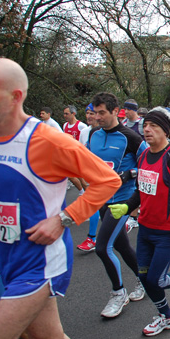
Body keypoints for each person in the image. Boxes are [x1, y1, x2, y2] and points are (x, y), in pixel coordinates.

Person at [0, 57, 121, 339]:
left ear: (16, 97)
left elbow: (108, 180)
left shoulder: (47, 140)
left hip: (38, 262)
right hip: (5, 257)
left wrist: (64, 218)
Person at [107, 107, 170, 336]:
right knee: (143, 276)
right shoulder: (143, 155)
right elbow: (142, 189)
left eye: (154, 127)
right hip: (146, 229)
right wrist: (127, 207)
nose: (147, 130)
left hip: (167, 231)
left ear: (167, 131)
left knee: (156, 279)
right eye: (146, 126)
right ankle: (167, 317)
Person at [88, 92, 149, 318]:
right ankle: (144, 279)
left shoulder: (130, 137)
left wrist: (130, 173)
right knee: (122, 246)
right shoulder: (94, 135)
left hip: (122, 200)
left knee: (103, 248)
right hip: (102, 199)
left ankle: (118, 293)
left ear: (116, 111)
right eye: (95, 112)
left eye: (102, 112)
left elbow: (152, 164)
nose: (97, 117)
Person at [76, 103, 101, 252]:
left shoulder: (109, 132)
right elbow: (81, 153)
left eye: (92, 113)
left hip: (110, 177)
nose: (89, 116)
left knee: (109, 210)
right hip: (92, 176)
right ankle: (92, 238)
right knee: (94, 206)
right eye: (87, 113)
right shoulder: (85, 132)